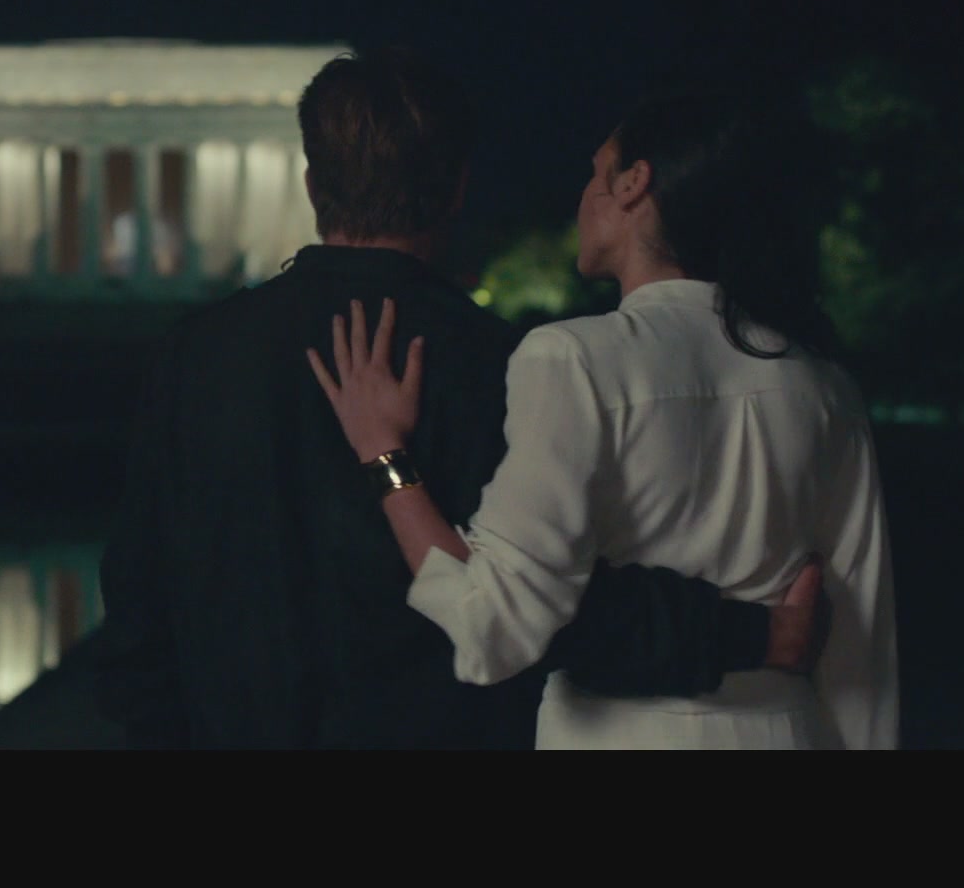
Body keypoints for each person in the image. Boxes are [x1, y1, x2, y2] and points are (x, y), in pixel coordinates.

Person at [95, 49, 825, 749]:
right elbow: (550, 605)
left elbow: (138, 602)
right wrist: (750, 633)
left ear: (313, 186)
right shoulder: (504, 364)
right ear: (457, 191)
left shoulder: (194, 357)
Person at [307, 89, 898, 749]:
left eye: (595, 173)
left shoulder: (574, 359)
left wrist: (383, 453)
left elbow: (491, 623)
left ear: (633, 183)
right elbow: (860, 657)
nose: (584, 195)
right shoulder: (825, 385)